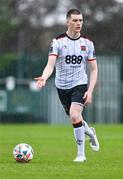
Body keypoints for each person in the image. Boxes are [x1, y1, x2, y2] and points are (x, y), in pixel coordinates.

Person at [34, 8, 99, 162]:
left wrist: (90, 90)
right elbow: (50, 65)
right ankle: (90, 132)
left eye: (81, 20)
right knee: (75, 118)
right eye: (75, 20)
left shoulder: (88, 43)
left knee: (75, 115)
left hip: (80, 83)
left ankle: (81, 155)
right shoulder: (57, 42)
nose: (79, 23)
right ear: (67, 22)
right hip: (61, 86)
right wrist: (44, 77)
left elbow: (94, 69)